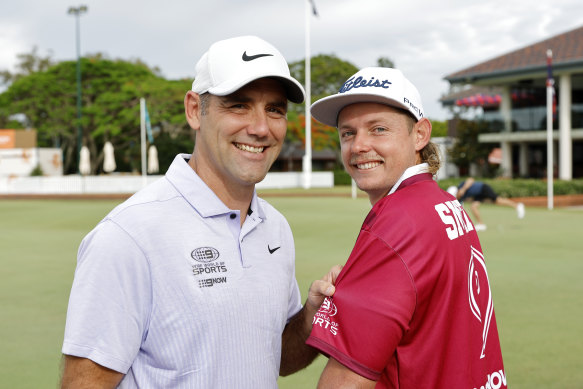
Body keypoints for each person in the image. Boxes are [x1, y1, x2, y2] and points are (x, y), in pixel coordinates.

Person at [60, 35, 340, 388]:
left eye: (275, 109)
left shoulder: (276, 228)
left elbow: (276, 356)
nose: (260, 127)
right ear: (195, 109)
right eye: (238, 105)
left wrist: (310, 317)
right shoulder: (129, 234)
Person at [306, 67, 507, 388]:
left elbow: (346, 380)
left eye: (378, 129)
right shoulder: (445, 202)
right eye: (347, 133)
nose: (358, 145)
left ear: (420, 134)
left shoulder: (397, 221)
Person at [447, 177, 525, 231]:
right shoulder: (459, 198)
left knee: (498, 200)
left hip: (483, 188)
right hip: (479, 194)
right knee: (474, 206)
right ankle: (481, 224)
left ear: (456, 191)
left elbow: (471, 180)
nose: (455, 197)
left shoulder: (461, 186)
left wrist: (463, 189)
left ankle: (517, 206)